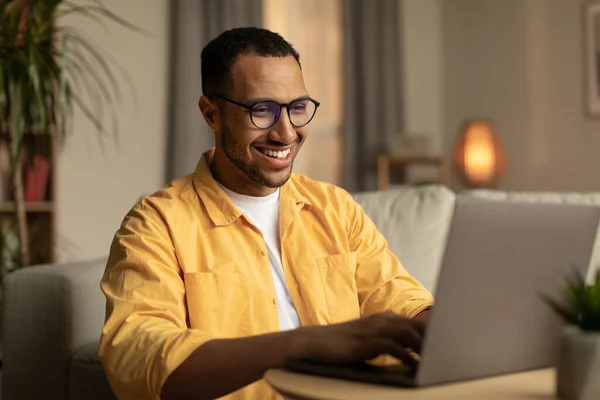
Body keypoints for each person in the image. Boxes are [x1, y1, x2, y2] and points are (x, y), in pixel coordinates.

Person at [99, 27, 434, 400]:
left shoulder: (335, 209)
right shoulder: (156, 224)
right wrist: (307, 343)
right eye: (262, 110)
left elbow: (402, 301)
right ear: (212, 113)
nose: (286, 133)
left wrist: (446, 326)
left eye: (297, 108)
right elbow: (141, 360)